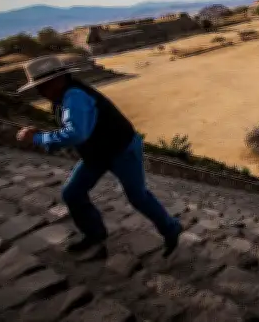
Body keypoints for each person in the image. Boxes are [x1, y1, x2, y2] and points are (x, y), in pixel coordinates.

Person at [15, 55, 182, 257]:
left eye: (43, 86)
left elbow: (77, 133)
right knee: (72, 193)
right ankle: (94, 235)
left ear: (58, 80)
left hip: (122, 150)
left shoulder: (74, 97)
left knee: (138, 196)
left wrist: (39, 139)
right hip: (97, 154)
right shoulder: (63, 98)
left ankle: (171, 228)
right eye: (39, 88)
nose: (41, 92)